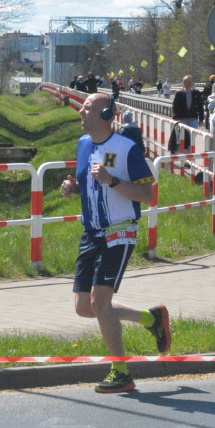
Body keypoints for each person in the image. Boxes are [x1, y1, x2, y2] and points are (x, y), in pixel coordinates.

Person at [59, 93, 170, 393]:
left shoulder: (127, 149)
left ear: (106, 115)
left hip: (119, 232)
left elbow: (147, 197)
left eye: (86, 108)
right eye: (81, 108)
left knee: (99, 301)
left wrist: (114, 182)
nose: (80, 112)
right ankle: (151, 318)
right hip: (91, 232)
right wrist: (74, 187)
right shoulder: (83, 145)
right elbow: (90, 184)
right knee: (84, 307)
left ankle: (120, 371)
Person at [171, 74, 204, 152]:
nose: (189, 83)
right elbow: (174, 106)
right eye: (187, 81)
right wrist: (174, 117)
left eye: (190, 81)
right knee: (184, 138)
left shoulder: (196, 93)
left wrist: (201, 119)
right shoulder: (179, 93)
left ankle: (188, 158)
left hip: (193, 119)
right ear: (183, 83)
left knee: (191, 138)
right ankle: (185, 156)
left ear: (192, 83)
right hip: (182, 119)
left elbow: (200, 107)